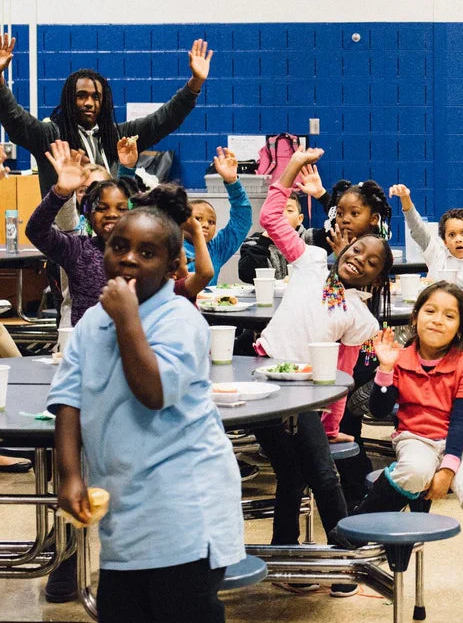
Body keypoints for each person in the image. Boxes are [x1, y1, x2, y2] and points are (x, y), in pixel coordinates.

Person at [47, 203, 244, 623]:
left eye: (147, 252)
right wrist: (70, 476)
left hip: (186, 511)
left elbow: (153, 392)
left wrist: (127, 319)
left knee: (182, 610)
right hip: (127, 513)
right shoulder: (91, 323)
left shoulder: (181, 320)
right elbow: (68, 399)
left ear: (175, 267)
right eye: (119, 246)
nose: (130, 259)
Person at [250, 147, 392, 596]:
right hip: (264, 380)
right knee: (293, 473)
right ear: (345, 243)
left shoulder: (359, 315)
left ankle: (340, 560)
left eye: (371, 263)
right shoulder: (309, 261)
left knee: (320, 475)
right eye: (358, 250)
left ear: (374, 280)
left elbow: (343, 372)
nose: (360, 259)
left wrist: (333, 425)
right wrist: (289, 169)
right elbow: (273, 218)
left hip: (305, 396)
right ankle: (292, 556)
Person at [355, 283, 463, 623]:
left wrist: (448, 471)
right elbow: (379, 410)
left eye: (449, 316)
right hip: (415, 436)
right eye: (430, 311)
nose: (438, 320)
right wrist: (385, 369)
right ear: (415, 316)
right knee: (413, 471)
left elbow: (460, 423)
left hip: (462, 443)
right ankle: (359, 523)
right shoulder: (400, 358)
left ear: (460, 328)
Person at [0, 33, 212, 197]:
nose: (89, 103)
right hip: (66, 239)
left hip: (110, 234)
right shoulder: (51, 136)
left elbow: (163, 120)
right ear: (68, 100)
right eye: (81, 96)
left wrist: (195, 83)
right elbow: (15, 118)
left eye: (96, 97)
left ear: (104, 101)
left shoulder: (120, 135)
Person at [27, 141, 136, 326]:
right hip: (86, 345)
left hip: (132, 343)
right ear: (88, 210)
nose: (111, 214)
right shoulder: (78, 248)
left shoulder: (142, 252)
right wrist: (60, 191)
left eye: (121, 209)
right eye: (101, 207)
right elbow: (36, 231)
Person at [391, 184, 463, 350]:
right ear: (445, 241)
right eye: (451, 235)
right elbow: (418, 229)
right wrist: (405, 199)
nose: (458, 239)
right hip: (430, 331)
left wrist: (431, 284)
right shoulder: (437, 255)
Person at [184, 147, 251, 285]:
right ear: (182, 221)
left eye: (211, 222)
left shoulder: (216, 249)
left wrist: (233, 182)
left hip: (208, 305)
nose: (205, 225)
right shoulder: (171, 245)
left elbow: (241, 222)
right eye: (198, 218)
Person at [238, 192, 308, 282]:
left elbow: (331, 229)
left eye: (289, 210)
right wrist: (264, 241)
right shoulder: (253, 242)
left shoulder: (307, 239)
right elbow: (246, 275)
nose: (282, 215)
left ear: (300, 219)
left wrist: (322, 195)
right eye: (277, 211)